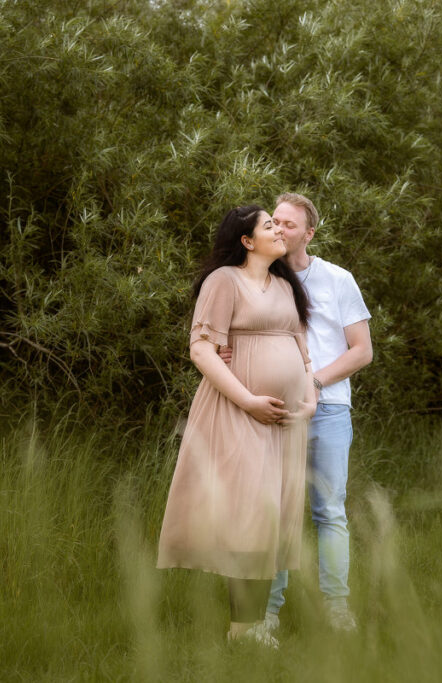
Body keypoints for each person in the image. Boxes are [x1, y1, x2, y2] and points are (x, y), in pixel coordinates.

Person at [157, 205, 317, 648]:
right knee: (250, 514)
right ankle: (242, 631)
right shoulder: (223, 282)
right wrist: (248, 400)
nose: (279, 230)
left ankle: (253, 628)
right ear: (247, 241)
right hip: (238, 411)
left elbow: (302, 350)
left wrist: (310, 399)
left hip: (285, 422)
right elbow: (202, 350)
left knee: (271, 519)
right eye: (269, 226)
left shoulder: (285, 285)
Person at [224, 193, 372, 633]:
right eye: (275, 222)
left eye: (290, 225)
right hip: (274, 413)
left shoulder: (337, 279)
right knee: (276, 512)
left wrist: (315, 381)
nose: (280, 230)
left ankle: (336, 607)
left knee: (329, 510)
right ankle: (267, 613)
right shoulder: (256, 279)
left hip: (327, 410)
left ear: (309, 234)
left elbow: (362, 351)